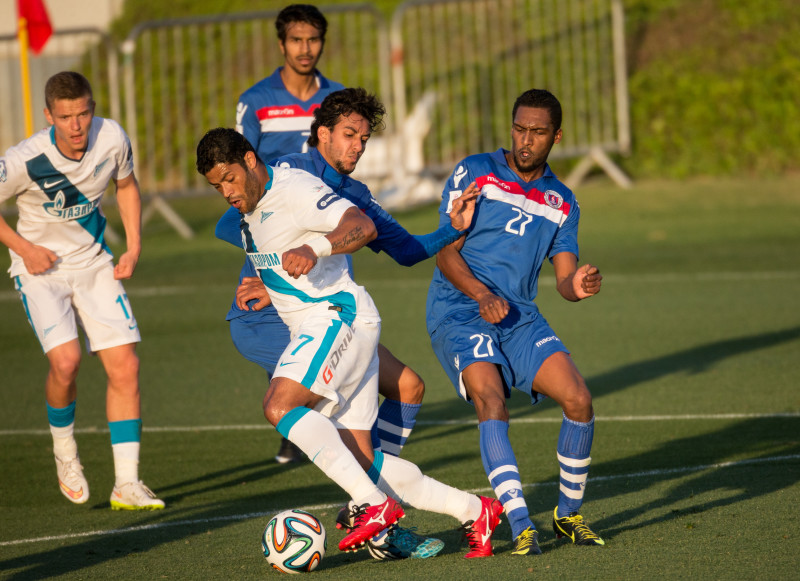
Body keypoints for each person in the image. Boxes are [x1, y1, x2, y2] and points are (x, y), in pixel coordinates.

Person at [197, 127, 503, 558]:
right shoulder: (252, 208)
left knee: (279, 406)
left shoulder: (294, 187)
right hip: (331, 320)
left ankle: (376, 507)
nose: (226, 191)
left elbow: (360, 226)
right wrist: (276, 286)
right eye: (216, 186)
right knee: (362, 460)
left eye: (229, 178)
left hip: (336, 318)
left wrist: (316, 247)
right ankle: (475, 510)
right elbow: (278, 251)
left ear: (249, 160)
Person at [426, 88, 605, 556]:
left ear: (557, 136)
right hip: (460, 306)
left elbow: (564, 277)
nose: (526, 140)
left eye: (538, 132)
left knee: (580, 400)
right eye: (520, 129)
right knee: (491, 398)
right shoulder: (476, 172)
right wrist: (482, 295)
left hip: (519, 315)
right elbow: (446, 251)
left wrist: (578, 285)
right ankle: (521, 523)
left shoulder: (562, 200)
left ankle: (567, 517)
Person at [0, 71, 163, 510]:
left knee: (126, 366)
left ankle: (126, 484)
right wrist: (24, 248)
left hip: (94, 265)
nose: (77, 125)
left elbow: (126, 185)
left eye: (84, 113)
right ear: (49, 115)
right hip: (41, 272)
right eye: (66, 116)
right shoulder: (22, 159)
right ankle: (65, 451)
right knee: (67, 362)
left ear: (93, 109)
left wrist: (133, 246)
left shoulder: (112, 138)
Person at [233, 3, 344, 464]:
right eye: (296, 40)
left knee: (333, 316)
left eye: (313, 39)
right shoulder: (256, 100)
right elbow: (241, 167)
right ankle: (295, 418)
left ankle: (333, 415)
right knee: (279, 323)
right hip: (271, 235)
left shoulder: (337, 97)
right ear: (282, 44)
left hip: (324, 229)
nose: (305, 48)